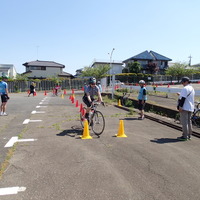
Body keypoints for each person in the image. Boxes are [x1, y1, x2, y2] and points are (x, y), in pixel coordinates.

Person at [177, 77, 195, 141]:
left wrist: (180, 107)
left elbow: (183, 99)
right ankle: (189, 135)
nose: (182, 83)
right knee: (189, 122)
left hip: (184, 107)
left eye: (183, 82)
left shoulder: (185, 88)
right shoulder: (192, 88)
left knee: (184, 122)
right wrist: (180, 94)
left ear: (186, 81)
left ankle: (185, 136)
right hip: (190, 107)